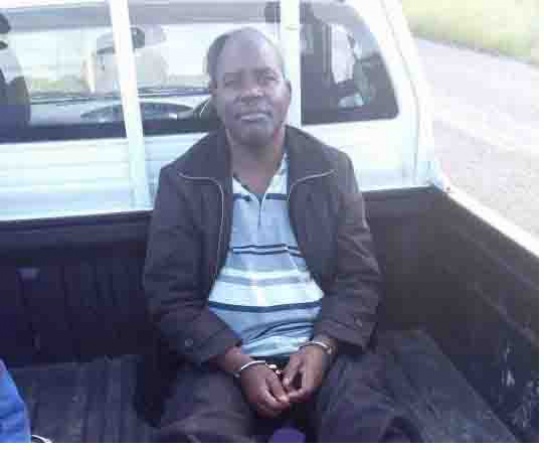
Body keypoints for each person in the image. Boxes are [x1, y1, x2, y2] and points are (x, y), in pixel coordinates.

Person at [143, 27, 420, 443]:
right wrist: (239, 363)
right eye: (233, 82)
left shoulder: (332, 170)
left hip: (324, 354)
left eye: (265, 78)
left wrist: (322, 347)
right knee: (197, 434)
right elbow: (170, 297)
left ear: (287, 92)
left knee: (373, 428)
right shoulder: (183, 180)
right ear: (214, 95)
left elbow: (359, 279)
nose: (251, 92)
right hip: (219, 361)